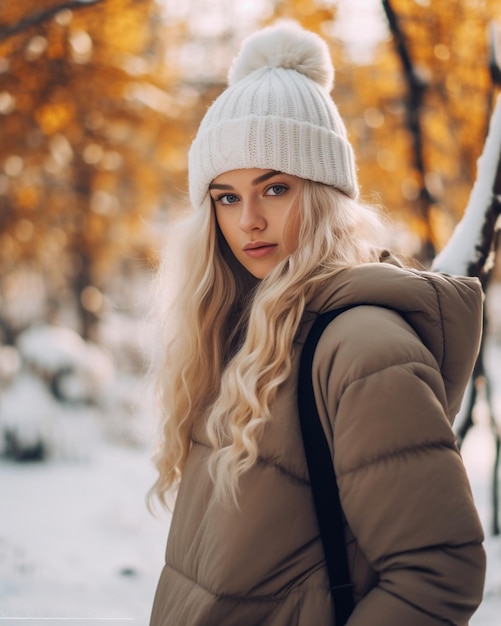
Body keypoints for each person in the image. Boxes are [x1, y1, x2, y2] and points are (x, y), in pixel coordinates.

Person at [148, 21, 486, 626]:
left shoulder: (362, 348)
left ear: (326, 194)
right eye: (226, 196)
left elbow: (439, 573)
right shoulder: (242, 334)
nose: (248, 219)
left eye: (274, 188)